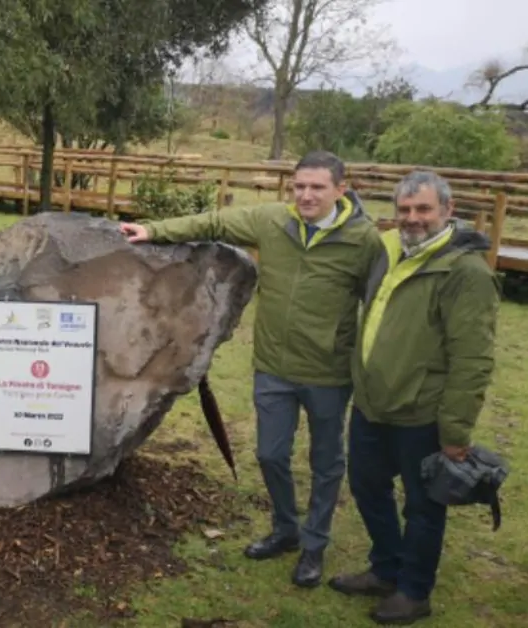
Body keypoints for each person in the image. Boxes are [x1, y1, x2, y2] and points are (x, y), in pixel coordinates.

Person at [119, 151, 381, 588]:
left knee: (326, 461)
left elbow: (380, 301)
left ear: (340, 189)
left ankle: (314, 545)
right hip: (273, 367)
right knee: (270, 454)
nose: (306, 195)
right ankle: (285, 529)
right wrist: (153, 231)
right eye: (300, 186)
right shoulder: (272, 220)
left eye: (317, 187)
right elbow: (215, 223)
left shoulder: (364, 240)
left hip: (328, 372)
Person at [328, 170, 500, 625]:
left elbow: (472, 358)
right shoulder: (389, 250)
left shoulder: (465, 273)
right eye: (404, 209)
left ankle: (414, 590)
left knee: (423, 506)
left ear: (448, 210)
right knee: (367, 487)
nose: (412, 218)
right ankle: (386, 568)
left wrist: (456, 431)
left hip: (421, 413)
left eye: (423, 209)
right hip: (372, 404)